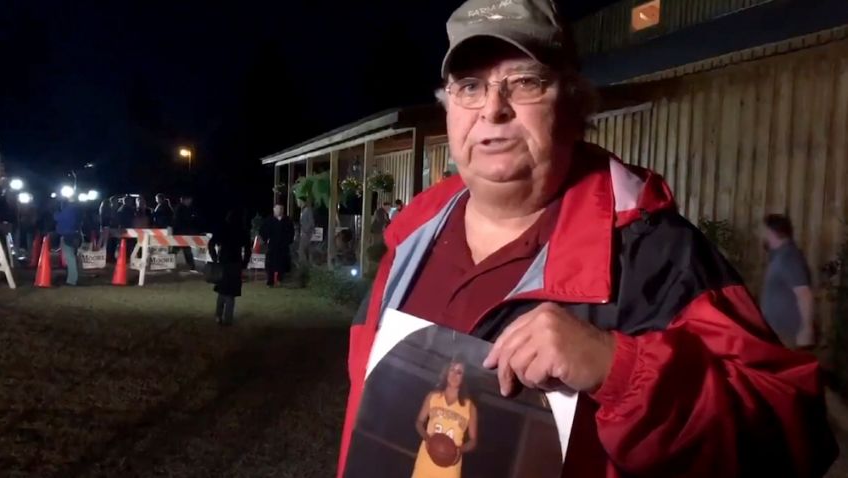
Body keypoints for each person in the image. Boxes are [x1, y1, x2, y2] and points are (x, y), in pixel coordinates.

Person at [337, 1, 837, 476]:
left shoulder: (658, 254)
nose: (493, 110)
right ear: (449, 108)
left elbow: (794, 436)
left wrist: (619, 371)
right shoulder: (410, 241)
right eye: (470, 86)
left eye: (525, 82)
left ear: (572, 104)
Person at [412, 358, 478, 478]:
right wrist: (428, 438)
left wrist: (460, 449)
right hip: (427, 457)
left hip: (451, 464)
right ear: (446, 371)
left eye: (459, 372)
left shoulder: (470, 407)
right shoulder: (432, 397)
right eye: (452, 369)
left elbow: (473, 440)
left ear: (464, 378)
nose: (454, 375)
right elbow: (419, 422)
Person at [760, 214, 815, 349]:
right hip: (776, 331)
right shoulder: (779, 255)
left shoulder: (789, 257)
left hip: (787, 333)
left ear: (772, 232)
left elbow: (804, 293)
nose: (762, 235)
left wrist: (806, 328)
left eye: (764, 231)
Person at [208, 210, 250, 326]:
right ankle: (228, 319)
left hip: (223, 262)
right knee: (231, 292)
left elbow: (211, 243)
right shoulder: (243, 231)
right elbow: (248, 249)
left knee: (222, 290)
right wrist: (245, 263)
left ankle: (218, 315)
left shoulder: (223, 229)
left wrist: (215, 257)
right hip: (236, 264)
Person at [260, 204, 295, 287]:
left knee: (281, 263)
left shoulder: (287, 221)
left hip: (283, 246)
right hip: (272, 245)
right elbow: (263, 231)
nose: (278, 211)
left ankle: (280, 279)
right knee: (270, 263)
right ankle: (270, 280)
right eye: (277, 209)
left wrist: (288, 241)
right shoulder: (269, 220)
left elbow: (291, 232)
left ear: (282, 210)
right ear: (274, 210)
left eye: (280, 209)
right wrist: (265, 239)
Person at [54, 198, 83, 286]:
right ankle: (74, 277)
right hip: (76, 235)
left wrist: (56, 210)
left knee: (70, 258)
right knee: (73, 257)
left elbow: (56, 217)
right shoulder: (76, 211)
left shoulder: (65, 212)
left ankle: (72, 280)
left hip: (68, 236)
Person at [173, 195, 199, 272]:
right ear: (185, 200)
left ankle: (191, 266)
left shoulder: (184, 208)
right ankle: (191, 266)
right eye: (189, 200)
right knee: (184, 250)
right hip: (181, 233)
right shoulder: (181, 208)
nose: (190, 202)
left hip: (182, 233)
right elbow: (179, 221)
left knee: (178, 250)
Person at [297, 198, 315, 268]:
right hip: (303, 233)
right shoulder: (303, 210)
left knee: (302, 250)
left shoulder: (308, 210)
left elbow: (311, 222)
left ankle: (304, 266)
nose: (297, 203)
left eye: (298, 201)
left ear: (301, 201)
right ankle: (306, 265)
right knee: (305, 250)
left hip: (306, 234)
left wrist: (305, 230)